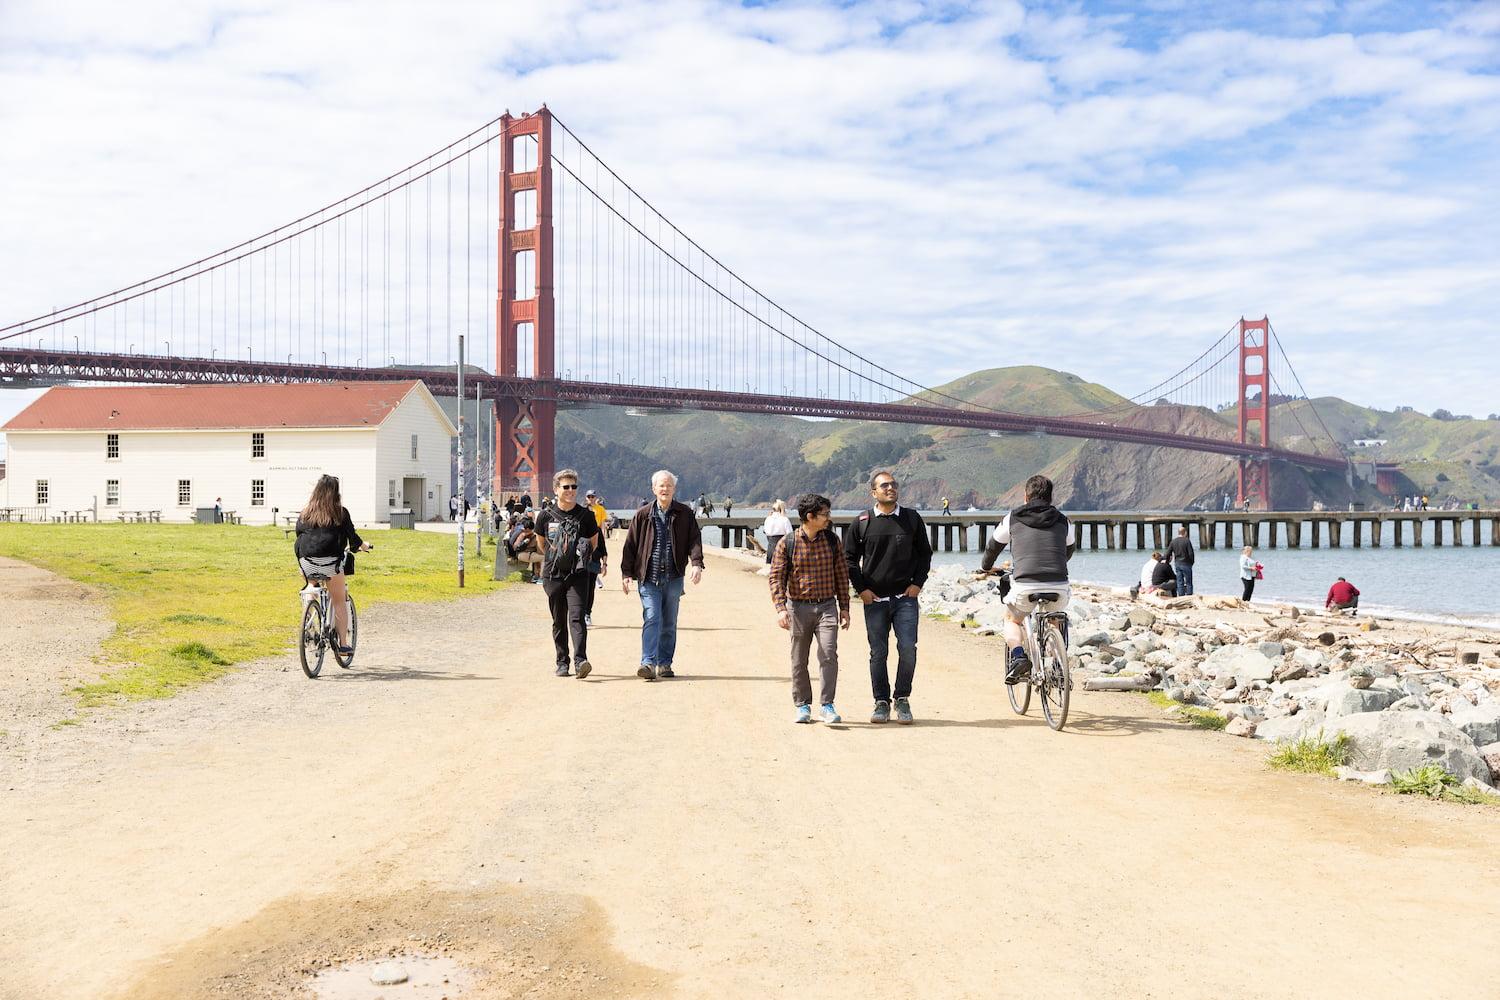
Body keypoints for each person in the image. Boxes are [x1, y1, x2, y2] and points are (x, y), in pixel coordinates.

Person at [846, 470, 931, 725]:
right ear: (874, 492)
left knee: (908, 650)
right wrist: (861, 590)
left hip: (905, 598)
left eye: (893, 485)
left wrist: (917, 584)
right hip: (875, 601)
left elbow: (925, 554)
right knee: (878, 652)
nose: (890, 488)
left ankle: (902, 698)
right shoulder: (862, 522)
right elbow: (849, 559)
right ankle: (881, 702)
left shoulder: (912, 519)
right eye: (884, 486)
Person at [980, 475, 1074, 684]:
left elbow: (993, 546)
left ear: (1025, 496)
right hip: (1058, 583)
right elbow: (1068, 550)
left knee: (1012, 619)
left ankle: (1019, 657)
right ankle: (1058, 663)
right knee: (1055, 618)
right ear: (1050, 497)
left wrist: (985, 567)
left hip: (1025, 584)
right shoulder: (1063, 519)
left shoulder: (1012, 517)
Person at [769, 493, 850, 724]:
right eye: (825, 514)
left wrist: (844, 607)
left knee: (828, 654)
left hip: (827, 606)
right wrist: (780, 608)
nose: (829, 518)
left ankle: (827, 705)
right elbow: (776, 577)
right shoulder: (788, 543)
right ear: (810, 516)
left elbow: (842, 576)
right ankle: (803, 705)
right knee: (798, 659)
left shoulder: (833, 541)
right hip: (798, 608)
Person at [620, 470, 705, 681]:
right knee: (652, 617)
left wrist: (696, 564)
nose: (665, 489)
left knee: (669, 623)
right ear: (653, 489)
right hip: (648, 577)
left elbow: (694, 540)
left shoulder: (684, 513)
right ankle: (647, 662)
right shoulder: (642, 514)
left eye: (668, 485)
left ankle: (665, 663)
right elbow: (630, 545)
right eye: (661, 485)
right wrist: (626, 573)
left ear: (674, 489)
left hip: (674, 577)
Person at [534, 469, 602, 678]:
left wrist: (577, 560)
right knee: (558, 619)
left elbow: (593, 541)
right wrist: (558, 558)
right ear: (556, 489)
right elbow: (541, 543)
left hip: (578, 575)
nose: (571, 491)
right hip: (553, 575)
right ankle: (561, 662)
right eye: (566, 487)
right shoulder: (545, 515)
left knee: (577, 616)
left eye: (574, 487)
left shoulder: (587, 516)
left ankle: (581, 661)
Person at [293, 475, 371, 655]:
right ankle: (343, 643)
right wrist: (363, 546)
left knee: (311, 584)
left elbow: (299, 534)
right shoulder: (340, 513)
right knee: (339, 600)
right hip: (331, 564)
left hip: (306, 563)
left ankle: (309, 610)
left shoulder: (306, 513)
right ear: (336, 493)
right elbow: (354, 540)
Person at [582, 490, 611, 626]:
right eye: (589, 496)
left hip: (593, 562)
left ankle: (587, 613)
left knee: (590, 589)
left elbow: (604, 550)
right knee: (580, 589)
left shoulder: (598, 527)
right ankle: (580, 614)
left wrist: (604, 565)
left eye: (593, 496)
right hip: (580, 562)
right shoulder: (579, 529)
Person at [762, 500, 793, 566]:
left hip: (770, 548)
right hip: (781, 549)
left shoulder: (768, 518)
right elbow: (790, 535)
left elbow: (765, 531)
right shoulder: (785, 519)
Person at [1167, 525, 1195, 596]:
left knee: (1180, 581)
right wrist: (1191, 562)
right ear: (1185, 532)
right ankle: (1189, 596)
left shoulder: (1173, 541)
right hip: (1186, 563)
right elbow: (1191, 553)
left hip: (1177, 563)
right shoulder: (1187, 541)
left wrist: (1166, 561)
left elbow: (1168, 553)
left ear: (1178, 533)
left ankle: (1181, 596)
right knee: (1188, 582)